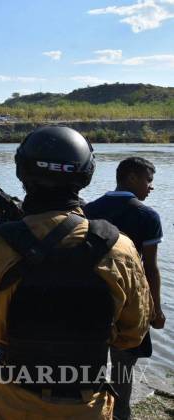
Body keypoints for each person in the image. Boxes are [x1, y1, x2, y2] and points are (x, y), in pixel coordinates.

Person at [0, 126, 152, 419]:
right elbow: (133, 334)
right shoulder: (120, 248)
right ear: (86, 174)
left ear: (22, 172)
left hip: (14, 401)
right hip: (87, 405)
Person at [84, 156, 165, 420]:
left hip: (90, 300)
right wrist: (156, 310)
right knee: (123, 369)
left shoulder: (89, 210)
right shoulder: (147, 216)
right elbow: (150, 268)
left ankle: (89, 412)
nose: (151, 186)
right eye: (148, 180)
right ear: (131, 177)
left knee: (89, 365)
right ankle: (120, 415)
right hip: (129, 303)